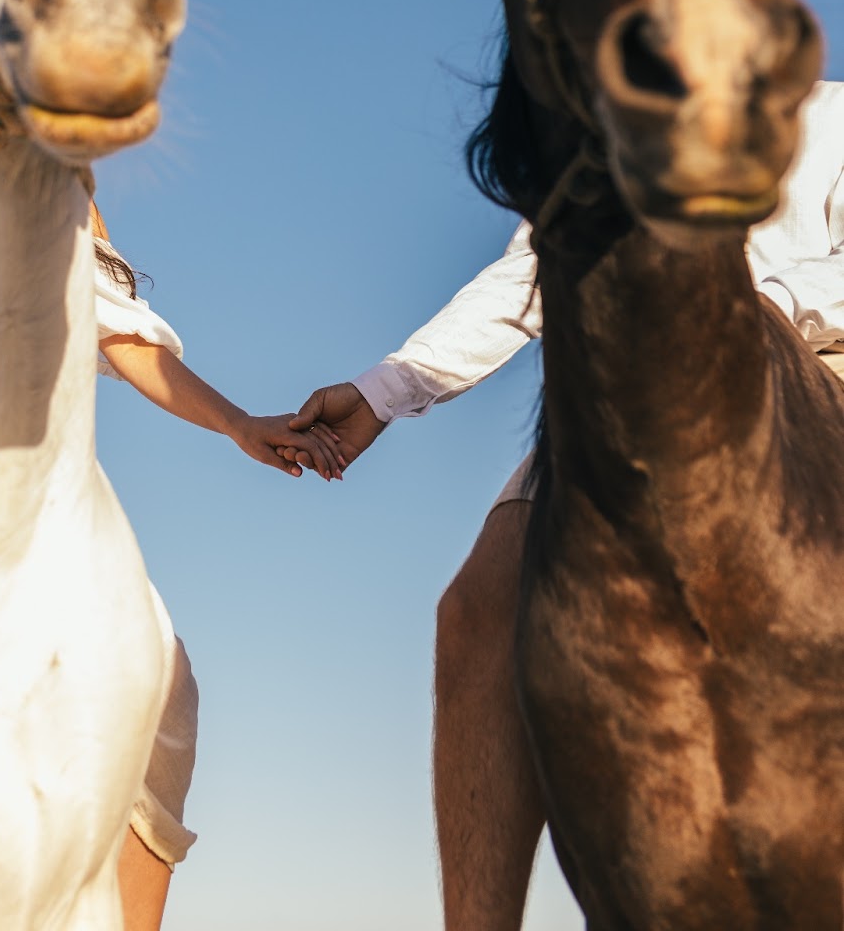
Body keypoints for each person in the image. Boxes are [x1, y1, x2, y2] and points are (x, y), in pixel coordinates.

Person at [286, 77, 844, 930]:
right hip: (637, 406)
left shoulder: (836, 117)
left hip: (821, 374)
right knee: (478, 610)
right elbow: (536, 273)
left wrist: (751, 307)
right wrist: (384, 391)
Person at [0, 165, 343, 931]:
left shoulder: (63, 196)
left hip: (26, 455)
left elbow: (124, 341)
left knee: (160, 688)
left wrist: (240, 425)